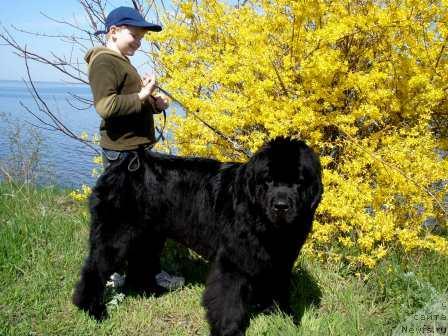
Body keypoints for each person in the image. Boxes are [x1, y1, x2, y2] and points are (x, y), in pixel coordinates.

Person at [85, 6, 184, 291]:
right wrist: (142, 93)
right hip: (124, 156)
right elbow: (107, 107)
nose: (139, 43)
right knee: (132, 219)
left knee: (136, 218)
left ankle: (126, 271)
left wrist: (154, 104)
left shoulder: (120, 60)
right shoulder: (104, 62)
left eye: (141, 38)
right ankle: (130, 273)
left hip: (135, 153)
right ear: (113, 32)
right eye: (135, 35)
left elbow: (129, 102)